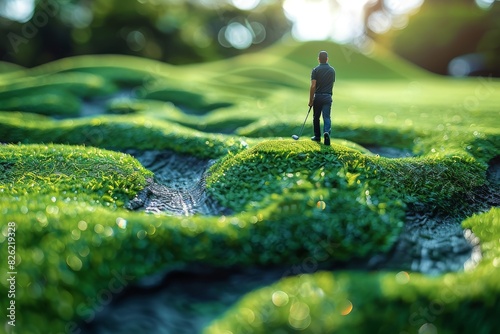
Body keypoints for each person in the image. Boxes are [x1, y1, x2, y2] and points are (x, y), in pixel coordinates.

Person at [308, 50, 335, 145]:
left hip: (318, 96)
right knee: (326, 117)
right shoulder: (332, 70)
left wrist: (311, 100)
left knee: (316, 117)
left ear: (318, 59)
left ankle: (317, 136)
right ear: (327, 59)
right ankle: (326, 132)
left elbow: (313, 86)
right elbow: (331, 84)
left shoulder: (315, 70)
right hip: (327, 96)